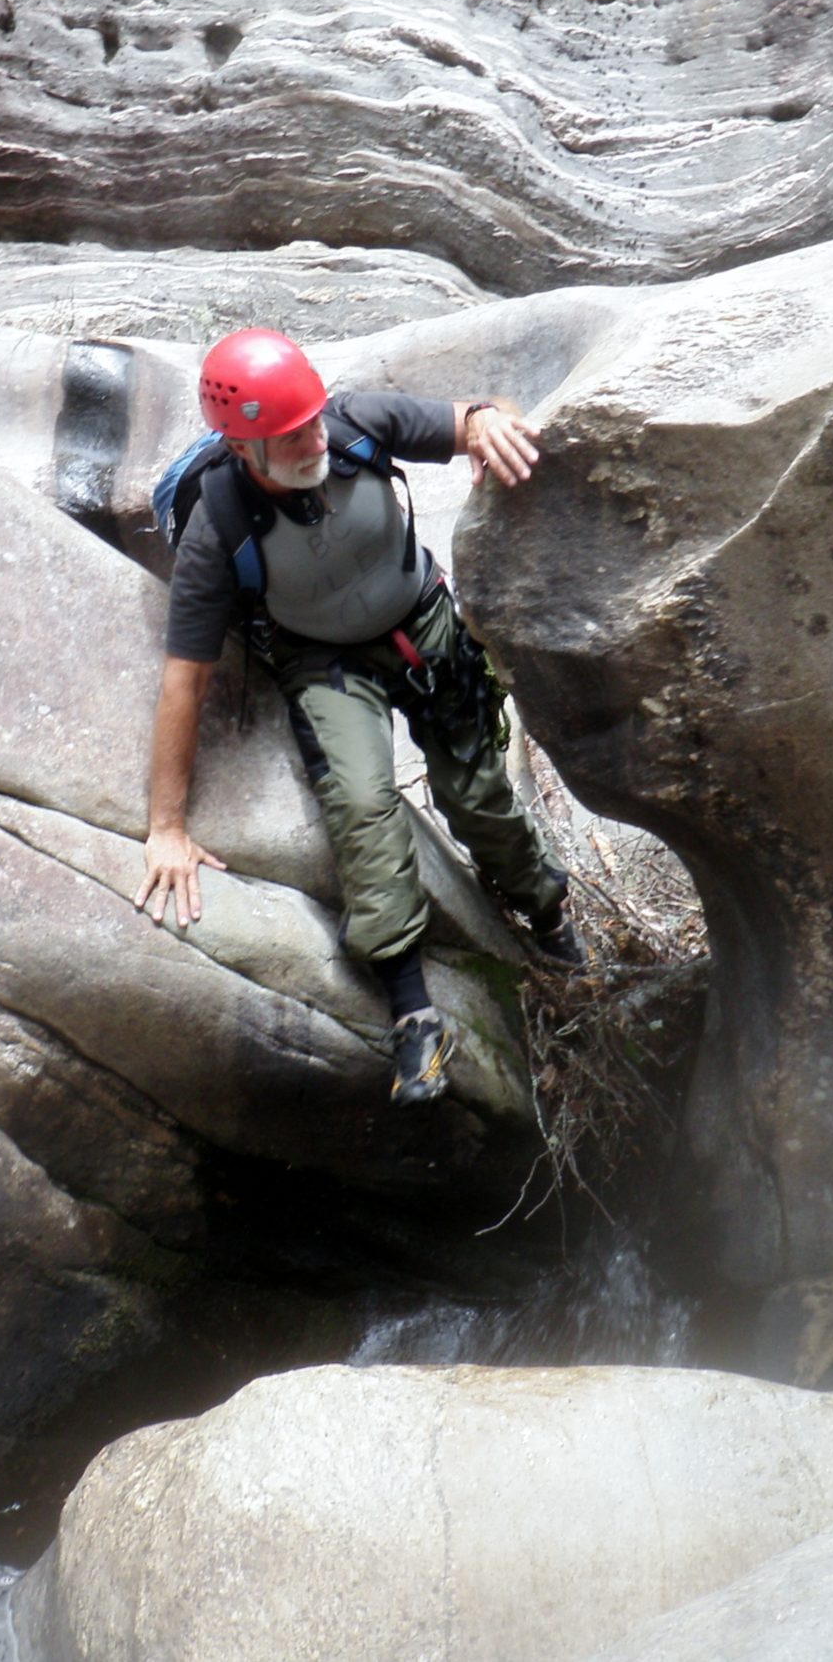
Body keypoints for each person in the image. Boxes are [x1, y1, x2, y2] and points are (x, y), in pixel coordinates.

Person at [132, 326, 585, 1105]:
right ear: (244, 449)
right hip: (324, 662)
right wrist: (165, 825)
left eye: (312, 420)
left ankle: (549, 921)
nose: (314, 437)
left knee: (478, 796)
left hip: (423, 622)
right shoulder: (217, 526)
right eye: (290, 433)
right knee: (364, 807)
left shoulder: (356, 422)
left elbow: (470, 416)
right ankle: (412, 1010)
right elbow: (185, 681)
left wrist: (488, 426)